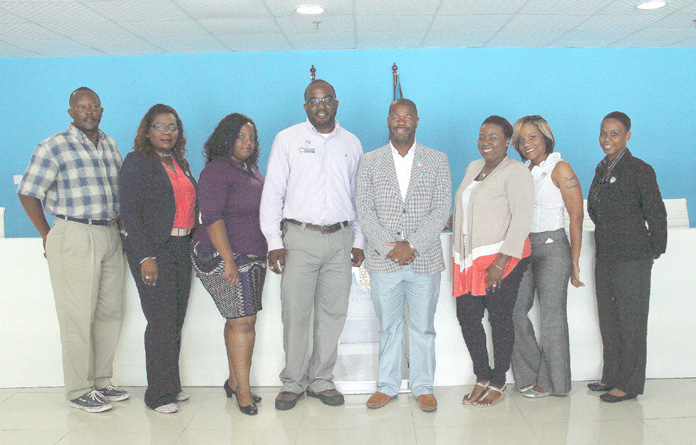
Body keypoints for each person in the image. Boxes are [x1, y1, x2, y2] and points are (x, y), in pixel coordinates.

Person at [17, 87, 128, 413]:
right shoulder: (53, 146)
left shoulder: (109, 144)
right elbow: (27, 192)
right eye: (81, 107)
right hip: (74, 232)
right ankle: (79, 389)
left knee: (110, 312)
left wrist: (121, 230)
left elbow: (118, 193)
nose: (88, 112)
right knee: (77, 316)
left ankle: (102, 381)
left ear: (101, 110)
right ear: (71, 112)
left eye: (93, 106)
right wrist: (48, 234)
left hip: (109, 233)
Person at [260, 79, 365, 411]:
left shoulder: (352, 143)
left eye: (327, 99)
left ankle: (321, 380)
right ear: (305, 106)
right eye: (314, 100)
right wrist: (274, 242)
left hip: (340, 239)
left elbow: (358, 197)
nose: (321, 105)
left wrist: (358, 240)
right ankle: (292, 382)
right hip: (299, 238)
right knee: (296, 312)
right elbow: (273, 192)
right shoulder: (288, 139)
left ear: (336, 103)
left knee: (333, 313)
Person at [356, 99, 451, 412]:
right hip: (384, 263)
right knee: (388, 327)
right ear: (387, 121)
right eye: (396, 117)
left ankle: (423, 386)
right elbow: (364, 210)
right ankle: (387, 386)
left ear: (417, 121)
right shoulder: (369, 161)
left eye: (407, 116)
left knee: (422, 328)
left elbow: (441, 209)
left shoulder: (437, 160)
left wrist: (412, 245)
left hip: (424, 261)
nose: (401, 121)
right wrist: (390, 246)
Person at [119, 104, 197, 414]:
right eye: (160, 126)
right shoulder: (137, 162)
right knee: (161, 321)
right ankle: (158, 394)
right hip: (154, 251)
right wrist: (145, 257)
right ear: (147, 131)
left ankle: (172, 384)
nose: (167, 132)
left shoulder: (180, 162)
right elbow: (131, 214)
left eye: (173, 126)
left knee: (175, 321)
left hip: (182, 248)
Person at [451, 115, 534, 407]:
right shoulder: (474, 167)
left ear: (508, 141)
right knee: (467, 317)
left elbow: (522, 219)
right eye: (482, 137)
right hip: (469, 261)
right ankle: (482, 376)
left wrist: (501, 262)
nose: (486, 143)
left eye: (493, 137)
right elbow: (465, 205)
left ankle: (499, 381)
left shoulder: (516, 172)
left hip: (502, 260)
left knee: (499, 320)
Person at [587, 111, 667, 403]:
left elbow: (656, 212)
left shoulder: (639, 169)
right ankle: (611, 375)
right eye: (603, 133)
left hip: (632, 257)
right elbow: (595, 209)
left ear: (628, 136)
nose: (607, 139)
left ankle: (629, 383)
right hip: (606, 254)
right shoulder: (601, 168)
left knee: (631, 320)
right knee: (608, 318)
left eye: (615, 134)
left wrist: (653, 249)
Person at [191, 113, 267, 416]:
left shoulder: (249, 170)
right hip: (222, 256)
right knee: (242, 322)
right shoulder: (216, 170)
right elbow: (212, 217)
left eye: (252, 137)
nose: (247, 142)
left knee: (242, 319)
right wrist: (228, 260)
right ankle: (243, 392)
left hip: (252, 255)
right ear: (226, 138)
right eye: (240, 136)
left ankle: (235, 380)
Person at [509, 115, 585, 398]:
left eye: (532, 137)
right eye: (521, 140)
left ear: (545, 137)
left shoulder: (560, 168)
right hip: (524, 248)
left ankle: (555, 383)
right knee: (515, 311)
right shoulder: (523, 171)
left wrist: (575, 262)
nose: (527, 144)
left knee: (551, 319)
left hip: (553, 248)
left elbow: (576, 216)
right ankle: (530, 375)